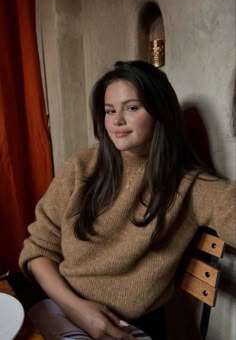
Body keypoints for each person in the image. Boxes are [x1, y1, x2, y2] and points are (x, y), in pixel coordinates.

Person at [19, 60, 236, 340]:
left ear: (160, 112)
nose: (116, 120)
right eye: (110, 110)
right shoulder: (82, 166)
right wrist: (77, 309)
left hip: (130, 326)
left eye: (131, 108)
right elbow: (38, 250)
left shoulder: (189, 185)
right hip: (62, 308)